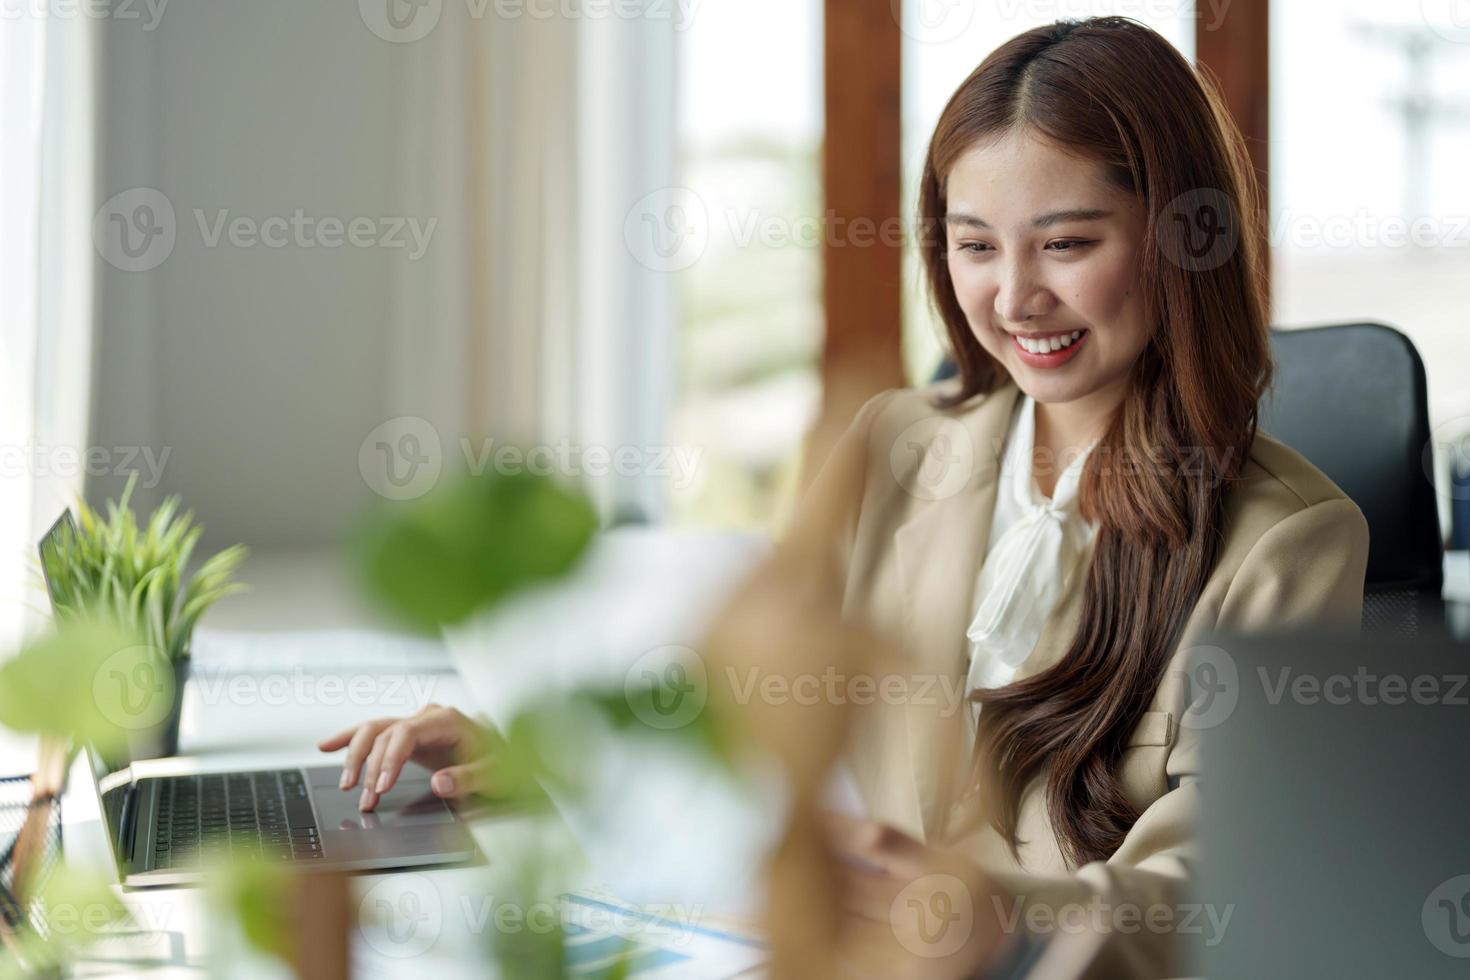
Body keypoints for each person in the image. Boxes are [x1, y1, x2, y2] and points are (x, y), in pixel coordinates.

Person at [323, 16, 1369, 977]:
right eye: (973, 246)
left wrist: (992, 909)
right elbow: (759, 699)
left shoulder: (1293, 541)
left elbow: (1228, 883)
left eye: (1066, 242)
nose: (1014, 296)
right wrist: (547, 749)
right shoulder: (894, 445)